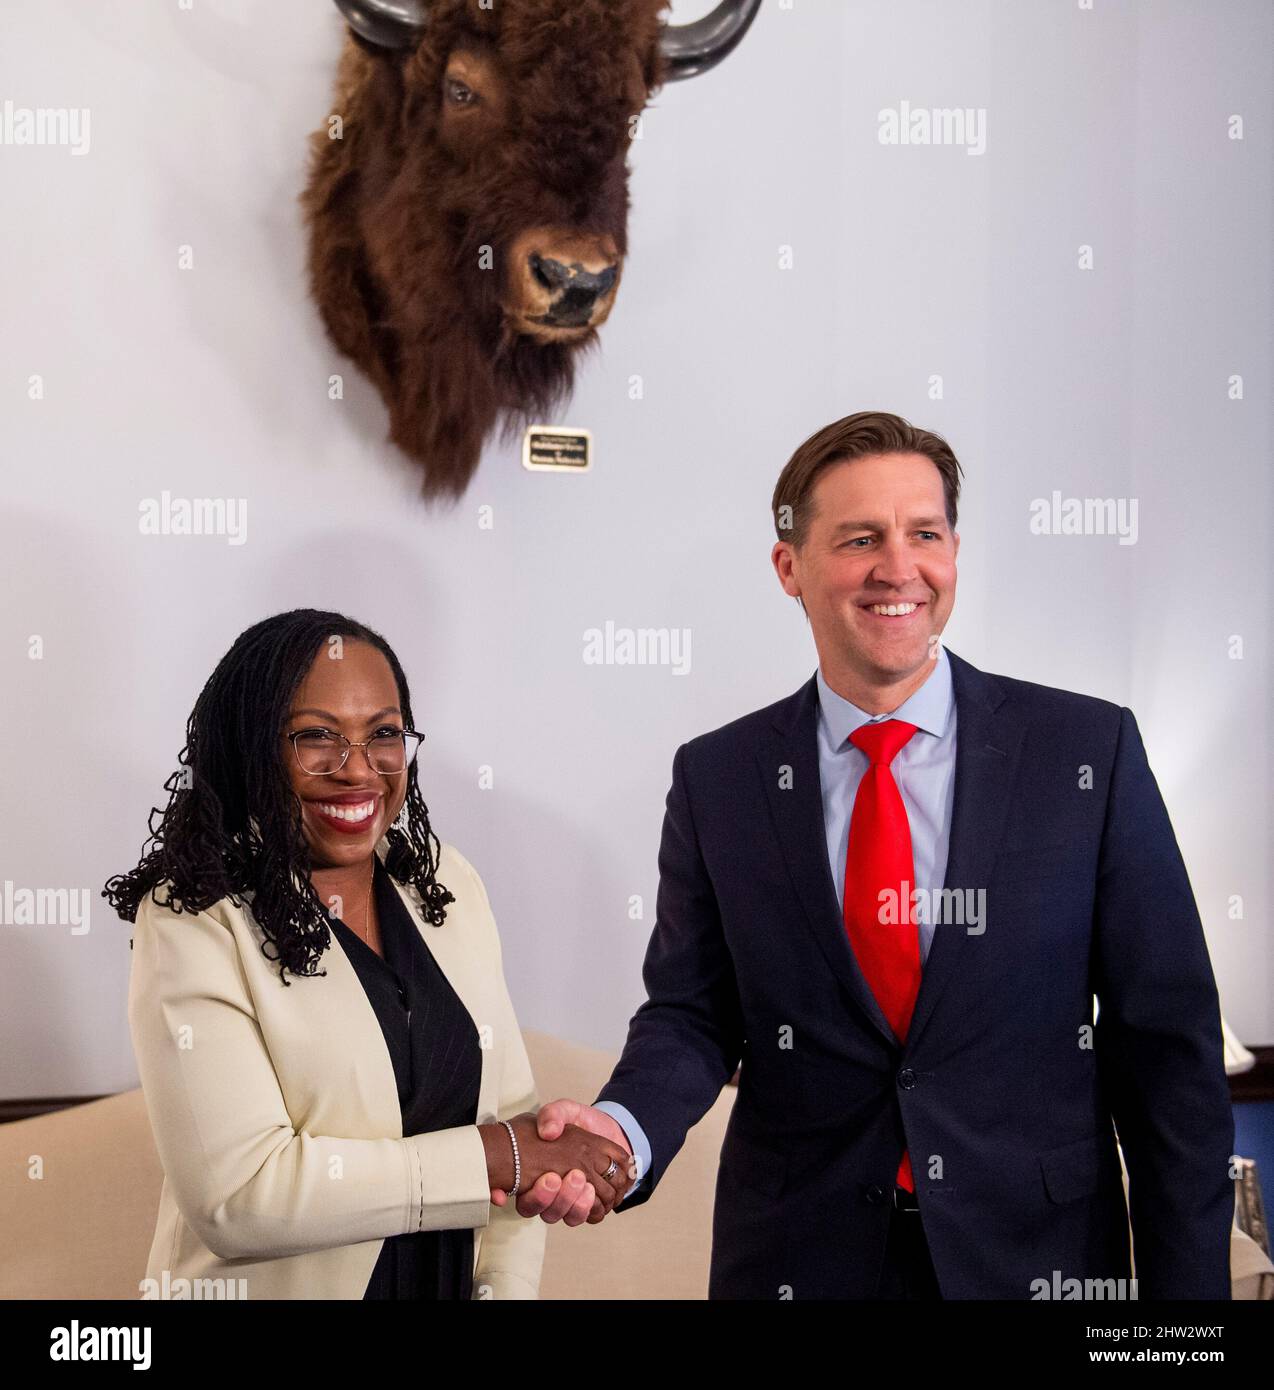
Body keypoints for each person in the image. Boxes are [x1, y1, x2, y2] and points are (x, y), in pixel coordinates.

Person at [512, 411, 1235, 1300]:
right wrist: (622, 1128)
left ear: (954, 554)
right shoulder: (720, 778)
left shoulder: (1086, 752)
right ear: (791, 567)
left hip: (1036, 1264)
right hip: (796, 1261)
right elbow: (693, 1015)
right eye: (860, 539)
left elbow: (1168, 1056)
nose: (899, 568)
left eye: (923, 534)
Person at [108, 609, 630, 1300]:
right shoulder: (196, 918)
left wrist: (503, 1284)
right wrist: (494, 1157)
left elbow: (515, 1127)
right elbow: (241, 1198)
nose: (357, 769)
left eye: (383, 734)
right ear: (252, 749)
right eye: (315, 737)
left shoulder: (446, 884)